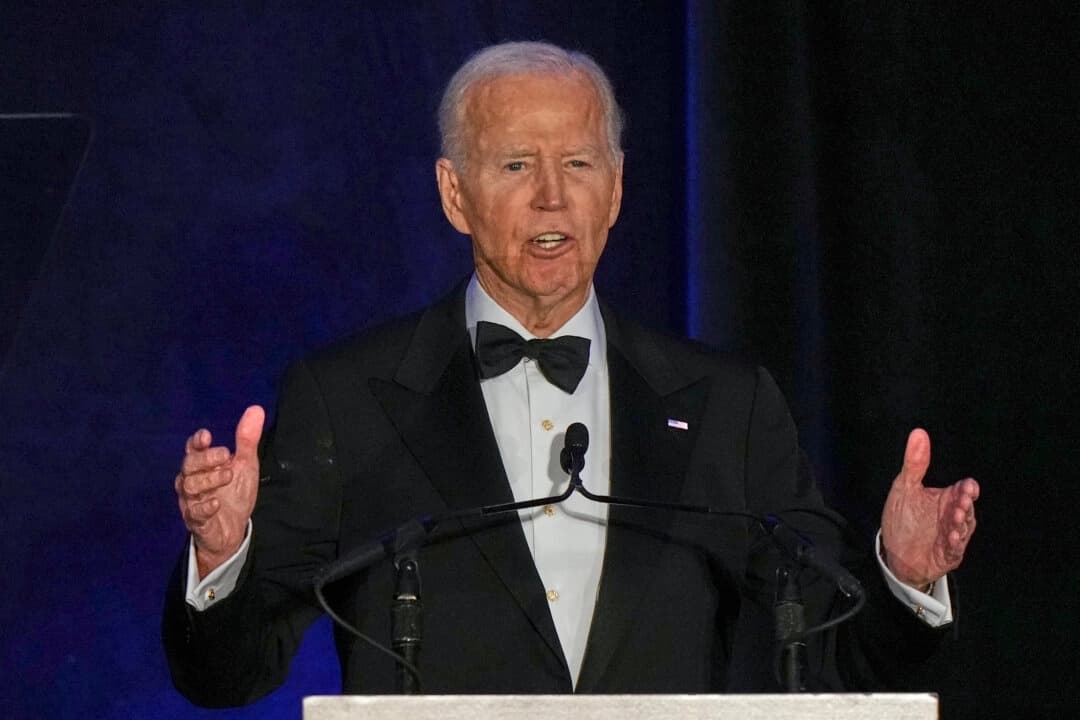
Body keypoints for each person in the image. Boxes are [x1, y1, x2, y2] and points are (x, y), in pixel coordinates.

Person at [163, 41, 979, 706]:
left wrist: (900, 575)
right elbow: (228, 675)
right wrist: (223, 556)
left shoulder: (728, 404)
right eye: (516, 165)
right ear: (456, 195)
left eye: (579, 165)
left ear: (617, 189)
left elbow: (838, 654)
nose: (552, 198)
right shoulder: (345, 401)